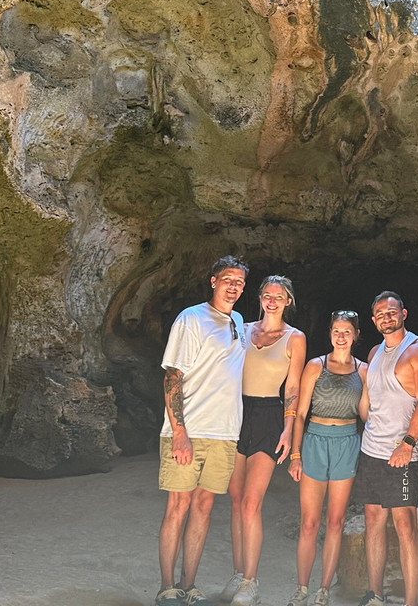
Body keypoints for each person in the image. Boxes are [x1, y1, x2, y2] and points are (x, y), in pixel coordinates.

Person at [156, 256, 249, 606]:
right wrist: (179, 431)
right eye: (228, 279)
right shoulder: (191, 318)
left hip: (224, 432)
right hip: (189, 429)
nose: (234, 286)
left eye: (240, 282)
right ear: (213, 281)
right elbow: (172, 377)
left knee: (204, 506)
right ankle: (167, 587)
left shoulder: (238, 321)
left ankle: (188, 584)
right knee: (178, 506)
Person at [219, 276, 306, 606]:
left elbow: (294, 388)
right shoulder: (241, 328)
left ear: (288, 301)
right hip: (236, 411)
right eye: (267, 295)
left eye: (279, 296)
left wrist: (288, 428)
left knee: (252, 502)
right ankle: (238, 573)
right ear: (259, 298)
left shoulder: (294, 338)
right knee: (236, 497)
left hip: (270, 413)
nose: (272, 300)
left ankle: (251, 582)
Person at [354, 291, 418, 606]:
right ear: (373, 320)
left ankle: (411, 601)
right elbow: (370, 401)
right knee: (373, 518)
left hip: (401, 451)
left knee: (405, 524)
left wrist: (408, 443)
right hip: (372, 449)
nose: (386, 318)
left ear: (404, 313)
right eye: (380, 314)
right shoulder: (376, 351)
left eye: (391, 312)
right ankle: (375, 594)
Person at [286, 310, 370, 606]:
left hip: (347, 441)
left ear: (356, 335)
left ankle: (323, 591)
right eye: (336, 330)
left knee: (336, 521)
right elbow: (300, 414)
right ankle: (302, 589)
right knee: (309, 522)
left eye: (347, 330)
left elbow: (365, 415)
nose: (341, 335)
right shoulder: (315, 366)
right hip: (314, 441)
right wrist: (295, 455)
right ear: (330, 333)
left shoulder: (363, 370)